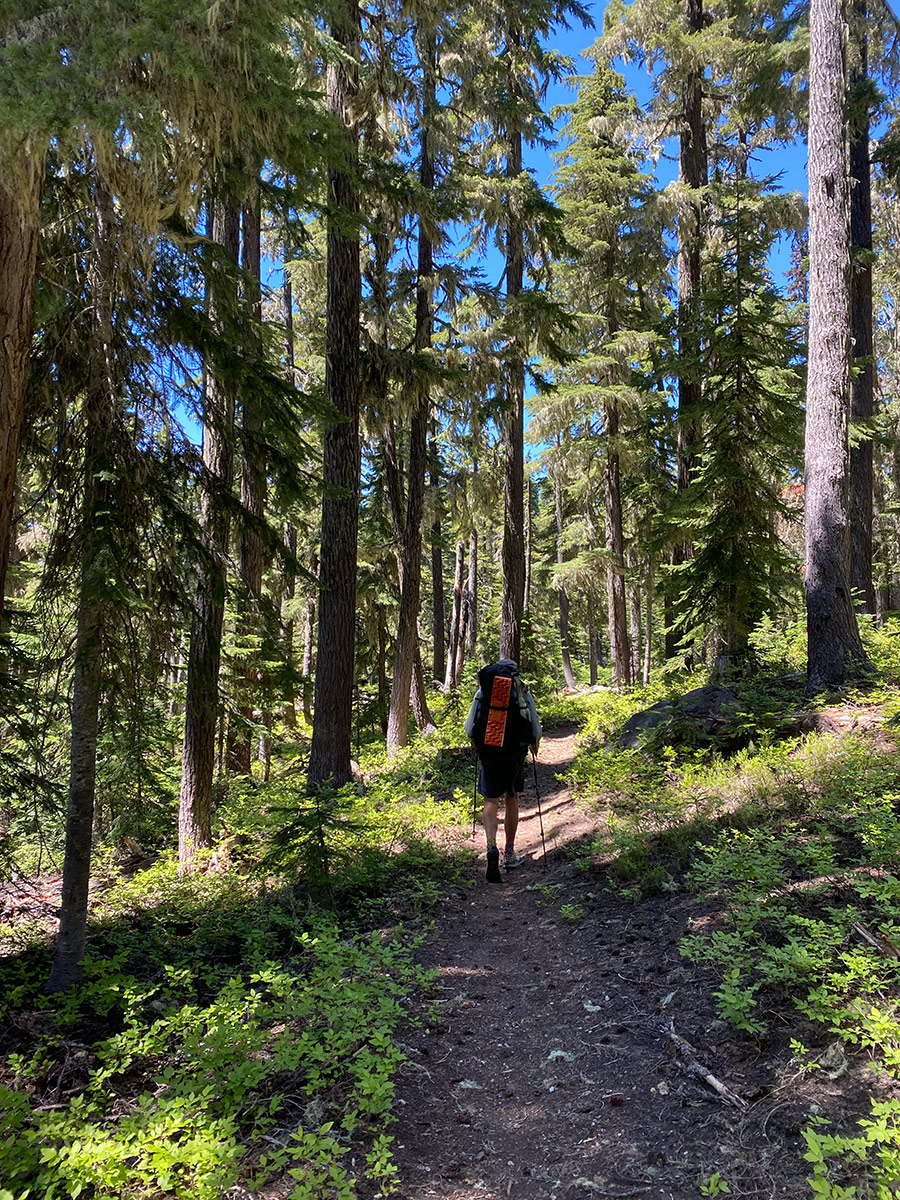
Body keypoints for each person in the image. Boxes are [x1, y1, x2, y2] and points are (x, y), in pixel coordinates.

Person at [464, 659, 541, 882]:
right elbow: (534, 726)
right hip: (514, 753)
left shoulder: (483, 691)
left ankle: (491, 846)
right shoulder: (521, 690)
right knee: (512, 798)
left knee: (490, 800)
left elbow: (470, 727)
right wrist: (534, 744)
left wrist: (478, 744)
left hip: (489, 750)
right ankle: (508, 852)